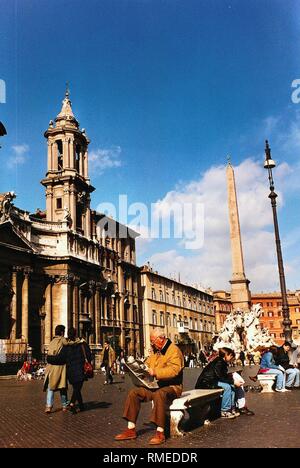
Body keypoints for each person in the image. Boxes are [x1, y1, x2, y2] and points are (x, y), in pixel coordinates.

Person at [114, 328, 184, 445]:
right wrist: (134, 368)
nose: (151, 344)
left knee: (159, 394)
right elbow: (146, 365)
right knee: (134, 393)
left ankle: (160, 431)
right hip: (155, 385)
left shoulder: (174, 350)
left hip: (173, 386)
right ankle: (131, 429)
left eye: (153, 341)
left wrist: (155, 372)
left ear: (161, 339)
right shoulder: (155, 351)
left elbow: (174, 370)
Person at [195, 347, 254, 418]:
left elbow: (221, 375)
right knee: (227, 387)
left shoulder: (221, 362)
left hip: (212, 381)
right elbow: (220, 375)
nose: (232, 358)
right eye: (231, 356)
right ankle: (225, 410)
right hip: (206, 382)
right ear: (226, 355)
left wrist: (232, 379)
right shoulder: (219, 362)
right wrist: (233, 381)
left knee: (231, 386)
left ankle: (231, 408)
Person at [65, 327, 92, 413]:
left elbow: (63, 357)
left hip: (70, 371)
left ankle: (81, 406)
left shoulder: (66, 345)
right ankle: (72, 403)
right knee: (77, 388)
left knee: (76, 388)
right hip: (80, 370)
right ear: (75, 333)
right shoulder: (81, 344)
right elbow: (89, 355)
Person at [43, 325, 69, 413]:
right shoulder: (63, 340)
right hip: (60, 368)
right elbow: (68, 348)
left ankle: (48, 406)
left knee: (50, 388)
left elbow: (48, 355)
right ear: (62, 332)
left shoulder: (52, 341)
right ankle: (64, 405)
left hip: (51, 367)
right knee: (62, 387)